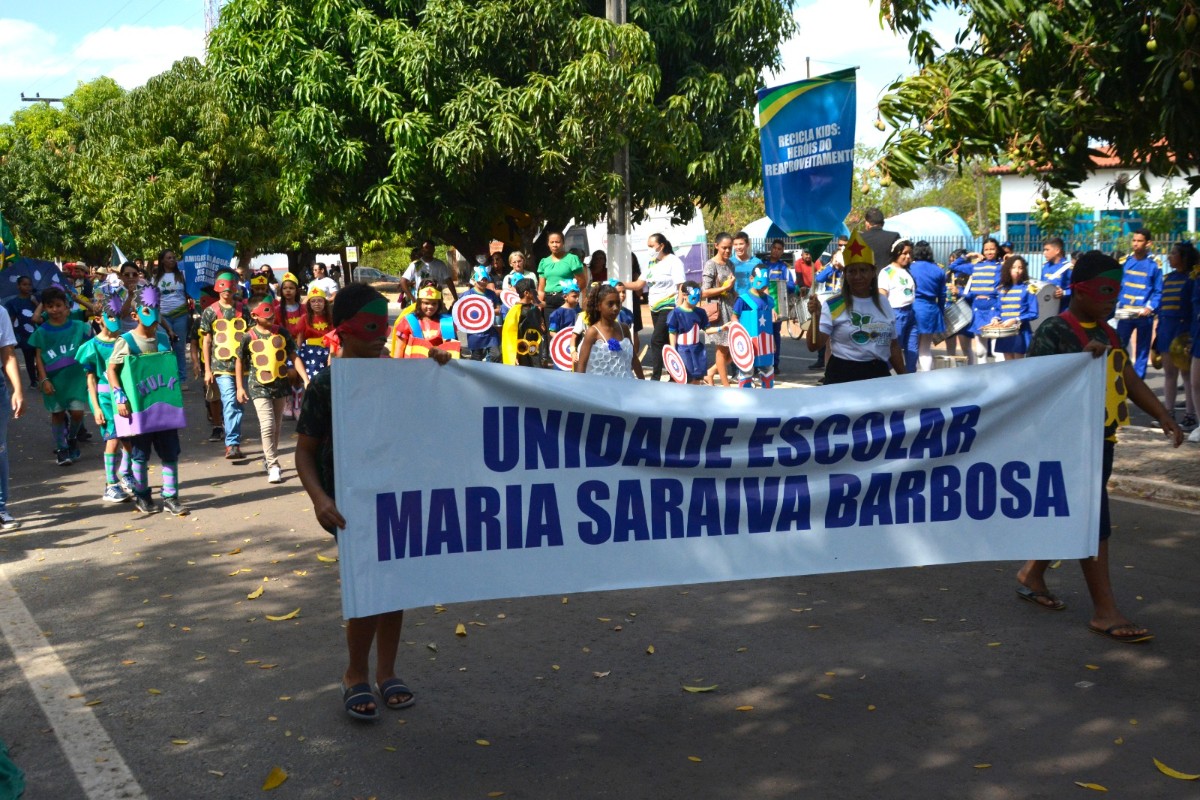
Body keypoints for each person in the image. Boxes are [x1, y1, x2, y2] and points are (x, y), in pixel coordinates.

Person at [1016, 250, 1182, 642]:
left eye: (1118, 291)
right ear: (1080, 290)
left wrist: (1162, 415)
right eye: (1107, 291)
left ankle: (1032, 573)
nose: (1114, 299)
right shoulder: (1055, 330)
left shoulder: (1109, 333)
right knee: (1093, 521)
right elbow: (1030, 387)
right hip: (1066, 444)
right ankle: (1105, 611)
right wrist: (1078, 360)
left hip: (1101, 440)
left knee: (1078, 514)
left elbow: (1129, 377)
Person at [294, 284, 418, 722]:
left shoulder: (399, 376)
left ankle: (387, 672)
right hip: (349, 505)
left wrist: (440, 367)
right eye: (371, 327)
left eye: (384, 326)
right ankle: (354, 674)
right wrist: (319, 499)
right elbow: (304, 451)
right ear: (343, 331)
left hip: (395, 498)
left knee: (394, 588)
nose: (381, 335)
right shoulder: (326, 386)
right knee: (367, 591)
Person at [106, 284, 189, 516]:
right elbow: (111, 369)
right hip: (140, 409)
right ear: (134, 315)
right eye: (146, 310)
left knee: (171, 453)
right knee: (140, 455)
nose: (153, 315)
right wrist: (119, 396)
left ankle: (171, 497)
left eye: (156, 309)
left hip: (165, 406)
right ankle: (142, 495)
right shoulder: (126, 341)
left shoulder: (163, 339)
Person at [805, 231, 905, 384]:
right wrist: (816, 316)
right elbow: (814, 346)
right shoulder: (833, 305)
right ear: (845, 273)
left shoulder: (884, 303)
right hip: (843, 377)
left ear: (873, 272)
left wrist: (906, 379)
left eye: (863, 270)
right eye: (852, 271)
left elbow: (893, 346)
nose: (858, 276)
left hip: (878, 376)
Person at [237, 301, 307, 484]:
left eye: (272, 317)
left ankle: (268, 459)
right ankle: (274, 464)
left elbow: (293, 355)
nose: (271, 320)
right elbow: (238, 361)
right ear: (255, 316)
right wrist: (239, 386)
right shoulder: (248, 337)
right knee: (267, 425)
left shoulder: (281, 332)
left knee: (276, 426)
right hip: (258, 386)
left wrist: (306, 379)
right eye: (267, 318)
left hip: (280, 385)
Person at [74, 294, 135, 502]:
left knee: (129, 437)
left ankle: (126, 474)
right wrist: (96, 408)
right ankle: (110, 483)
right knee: (113, 437)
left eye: (118, 315)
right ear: (99, 318)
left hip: (127, 395)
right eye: (110, 315)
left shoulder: (126, 340)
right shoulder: (92, 346)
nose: (115, 320)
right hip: (106, 398)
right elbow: (90, 380)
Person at [29, 286, 93, 466]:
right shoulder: (42, 331)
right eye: (50, 306)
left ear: (67, 306)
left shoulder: (79, 326)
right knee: (57, 414)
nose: (54, 310)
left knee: (78, 413)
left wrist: (92, 373)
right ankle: (62, 448)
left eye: (58, 305)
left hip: (76, 380)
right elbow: (39, 358)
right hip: (54, 381)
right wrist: (44, 379)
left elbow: (91, 348)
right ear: (45, 308)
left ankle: (72, 438)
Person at [200, 272, 248, 459]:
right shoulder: (210, 311)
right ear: (218, 288)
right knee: (229, 401)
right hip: (220, 366)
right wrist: (207, 370)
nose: (227, 291)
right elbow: (206, 341)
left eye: (230, 286)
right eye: (223, 286)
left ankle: (233, 437)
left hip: (242, 366)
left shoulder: (242, 310)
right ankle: (232, 443)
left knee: (238, 403)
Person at [1154, 241, 1196, 428]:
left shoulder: (1192, 279)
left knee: (1187, 375)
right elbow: (1162, 307)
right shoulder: (1168, 278)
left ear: (1184, 257)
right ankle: (1168, 413)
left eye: (1173, 253)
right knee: (1169, 373)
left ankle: (1190, 414)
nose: (1169, 257)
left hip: (1183, 331)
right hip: (1166, 329)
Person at [1117, 229, 1163, 378]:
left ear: (1148, 243)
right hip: (1125, 313)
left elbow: (1158, 291)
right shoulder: (1125, 262)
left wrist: (1150, 307)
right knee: (1119, 348)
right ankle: (1118, 378)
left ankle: (1138, 383)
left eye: (1139, 241)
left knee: (1142, 351)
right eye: (1134, 240)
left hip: (1144, 315)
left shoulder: (1154, 265)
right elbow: (1117, 285)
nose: (1135, 244)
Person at [640, 233, 687, 381]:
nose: (649, 249)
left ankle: (656, 377)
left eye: (651, 246)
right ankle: (674, 374)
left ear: (661, 245)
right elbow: (639, 283)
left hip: (669, 307)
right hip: (654, 307)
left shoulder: (674, 261)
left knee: (656, 340)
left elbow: (681, 286)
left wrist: (678, 308)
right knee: (666, 341)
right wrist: (621, 284)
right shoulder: (651, 263)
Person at [575, 282, 644, 379]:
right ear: (599, 306)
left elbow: (634, 360)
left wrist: (643, 382)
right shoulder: (593, 332)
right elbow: (581, 365)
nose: (615, 308)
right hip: (601, 388)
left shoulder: (624, 329)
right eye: (610, 304)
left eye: (618, 303)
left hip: (625, 385)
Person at [0, 304, 25, 530]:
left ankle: (0, 509)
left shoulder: (0, 312)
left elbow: (7, 354)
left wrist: (17, 389)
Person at [731, 265, 777, 389]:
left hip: (765, 341)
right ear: (752, 278)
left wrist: (772, 342)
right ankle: (745, 398)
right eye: (760, 283)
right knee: (746, 370)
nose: (763, 287)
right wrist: (738, 339)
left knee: (767, 368)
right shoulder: (743, 300)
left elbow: (768, 325)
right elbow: (734, 317)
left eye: (765, 285)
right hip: (748, 342)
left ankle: (767, 396)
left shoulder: (769, 300)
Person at [152, 249, 191, 392]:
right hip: (163, 317)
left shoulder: (182, 276)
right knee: (164, 347)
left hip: (180, 315)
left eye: (174, 257)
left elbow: (190, 293)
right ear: (162, 260)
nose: (172, 260)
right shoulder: (155, 279)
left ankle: (182, 379)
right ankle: (167, 378)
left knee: (179, 348)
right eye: (169, 257)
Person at [701, 233, 737, 387]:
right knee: (722, 350)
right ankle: (726, 385)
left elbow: (731, 289)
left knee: (735, 348)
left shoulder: (731, 264)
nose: (728, 251)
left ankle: (710, 372)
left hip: (731, 308)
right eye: (724, 248)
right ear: (716, 246)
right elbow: (704, 292)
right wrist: (724, 288)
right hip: (718, 310)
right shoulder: (711, 264)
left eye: (730, 248)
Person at [391, 282, 461, 360]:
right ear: (419, 303)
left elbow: (452, 350)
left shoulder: (447, 323)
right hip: (412, 368)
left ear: (439, 304)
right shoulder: (409, 321)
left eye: (434, 303)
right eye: (426, 303)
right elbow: (399, 349)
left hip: (437, 369)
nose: (430, 306)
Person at [878, 239, 917, 372]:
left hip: (911, 313)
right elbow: (882, 296)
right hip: (895, 314)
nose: (908, 256)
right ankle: (881, 375)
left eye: (910, 253)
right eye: (904, 253)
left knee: (912, 350)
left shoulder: (908, 271)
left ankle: (911, 377)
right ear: (896, 252)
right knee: (893, 351)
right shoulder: (887, 272)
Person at [908, 241, 948, 372]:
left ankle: (910, 374)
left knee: (911, 346)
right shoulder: (938, 270)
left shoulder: (909, 268)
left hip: (913, 308)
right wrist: (941, 313)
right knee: (925, 348)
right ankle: (926, 376)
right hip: (931, 309)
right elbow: (942, 295)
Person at [991, 255, 1039, 360]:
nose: (1017, 271)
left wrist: (1016, 319)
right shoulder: (1001, 289)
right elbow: (998, 309)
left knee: (1019, 364)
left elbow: (1034, 313)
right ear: (1008, 269)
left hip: (1020, 332)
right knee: (1007, 363)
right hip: (1005, 332)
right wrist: (995, 318)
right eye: (1014, 267)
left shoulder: (1029, 288)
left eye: (1020, 268)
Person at [965, 238, 1004, 363]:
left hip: (993, 307)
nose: (989, 252)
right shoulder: (976, 266)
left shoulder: (1000, 267)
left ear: (997, 250)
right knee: (980, 351)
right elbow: (954, 265)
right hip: (977, 308)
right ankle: (983, 376)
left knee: (996, 350)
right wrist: (970, 255)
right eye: (986, 249)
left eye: (992, 249)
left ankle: (1000, 376)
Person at [762, 239, 797, 373]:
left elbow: (791, 286)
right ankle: (762, 362)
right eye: (774, 248)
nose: (776, 251)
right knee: (762, 333)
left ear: (782, 251)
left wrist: (780, 283)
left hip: (777, 306)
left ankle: (775, 363)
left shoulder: (783, 267)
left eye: (779, 249)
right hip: (762, 305)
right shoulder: (763, 265)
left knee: (775, 334)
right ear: (770, 248)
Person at [667, 281, 709, 384]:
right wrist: (673, 351)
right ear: (685, 295)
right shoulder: (676, 313)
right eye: (694, 296)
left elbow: (707, 329)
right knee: (685, 379)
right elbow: (672, 332)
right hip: (683, 350)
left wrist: (721, 328)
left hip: (697, 350)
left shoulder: (700, 312)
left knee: (697, 379)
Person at [3, 275, 39, 388]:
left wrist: (36, 303)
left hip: (38, 333)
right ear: (18, 286)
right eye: (24, 284)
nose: (27, 287)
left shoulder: (36, 299)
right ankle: (33, 380)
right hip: (24, 334)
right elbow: (11, 319)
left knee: (40, 357)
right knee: (28, 358)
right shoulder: (13, 303)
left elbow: (44, 313)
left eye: (29, 284)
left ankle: (41, 376)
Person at [537, 232, 585, 315]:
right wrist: (539, 307)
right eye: (552, 242)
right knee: (551, 327)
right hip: (549, 302)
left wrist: (572, 297)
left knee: (568, 327)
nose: (555, 245)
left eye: (557, 242)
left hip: (567, 300)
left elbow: (581, 282)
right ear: (548, 244)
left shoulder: (572, 259)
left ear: (563, 243)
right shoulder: (544, 262)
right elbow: (541, 289)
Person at [501, 279, 546, 367]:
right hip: (521, 351)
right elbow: (509, 335)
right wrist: (513, 355)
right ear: (526, 293)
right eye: (533, 290)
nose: (536, 292)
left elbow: (539, 326)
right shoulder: (515, 311)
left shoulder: (535, 309)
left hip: (534, 350)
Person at [461, 266, 503, 362]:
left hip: (490, 331)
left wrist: (489, 310)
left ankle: (490, 372)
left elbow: (498, 309)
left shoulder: (491, 294)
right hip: (474, 333)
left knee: (496, 354)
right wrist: (462, 342)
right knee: (476, 358)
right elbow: (460, 316)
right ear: (474, 280)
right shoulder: (467, 295)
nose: (483, 282)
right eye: (481, 280)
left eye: (485, 279)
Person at [297, 287, 335, 384]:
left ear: (325, 303)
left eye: (320, 301)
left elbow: (334, 338)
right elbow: (300, 337)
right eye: (313, 301)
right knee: (313, 378)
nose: (317, 303)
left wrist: (331, 356)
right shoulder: (304, 318)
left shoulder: (330, 318)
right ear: (309, 304)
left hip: (327, 350)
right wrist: (298, 353)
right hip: (310, 352)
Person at [1040, 236, 1073, 313]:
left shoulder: (1068, 268)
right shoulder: (1045, 266)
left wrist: (1064, 293)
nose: (1044, 253)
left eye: (1047, 250)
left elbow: (1078, 289)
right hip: (1047, 308)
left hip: (1063, 310)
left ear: (1057, 250)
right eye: (1044, 250)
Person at [730, 231, 762, 296]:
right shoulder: (729, 263)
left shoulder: (757, 262)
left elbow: (762, 284)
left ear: (747, 245)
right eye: (735, 244)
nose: (738, 247)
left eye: (741, 244)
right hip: (734, 302)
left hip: (752, 301)